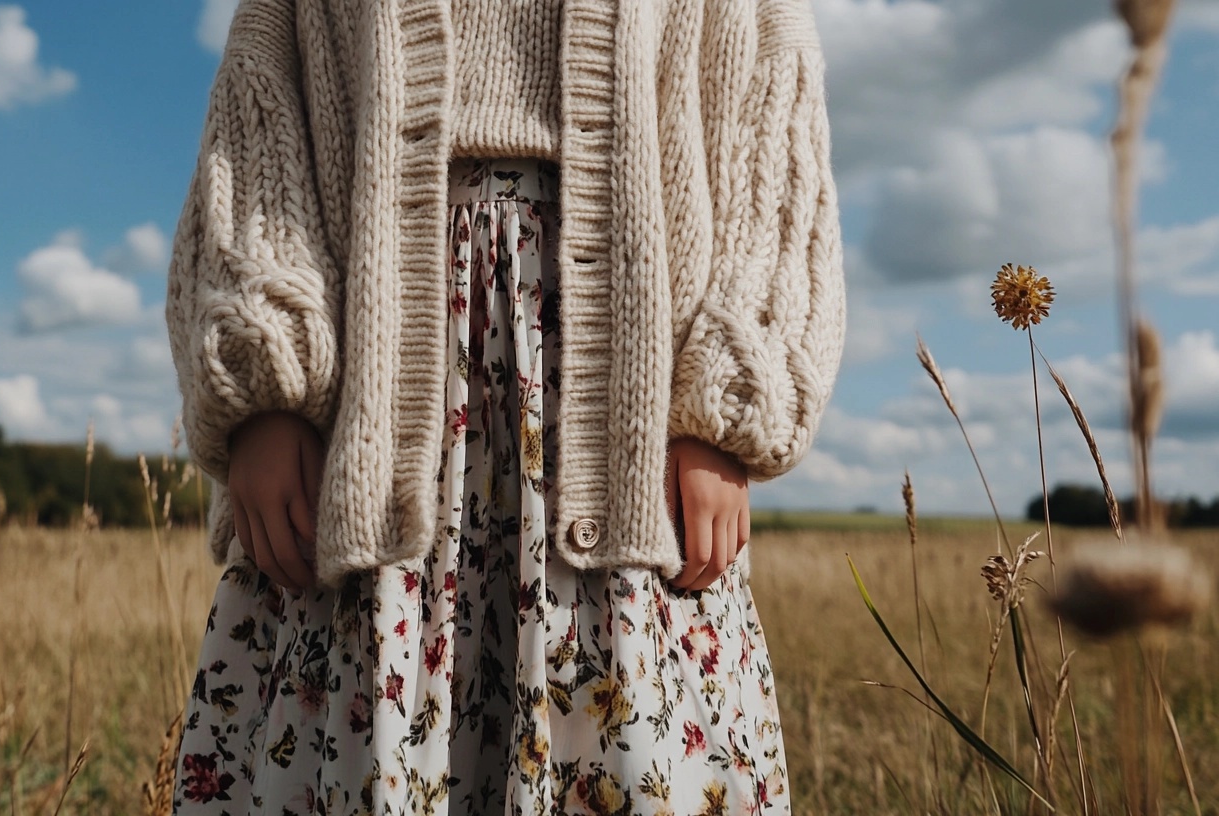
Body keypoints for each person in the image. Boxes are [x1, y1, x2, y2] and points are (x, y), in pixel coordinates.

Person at [165, 0, 844, 813]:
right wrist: (265, 393)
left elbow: (772, 124)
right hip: (367, 407)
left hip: (625, 412)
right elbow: (255, 125)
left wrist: (731, 401)